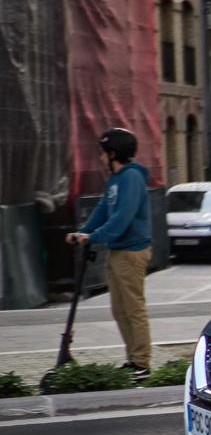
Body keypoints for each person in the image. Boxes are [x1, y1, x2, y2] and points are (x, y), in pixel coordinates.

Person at [66, 128, 153, 380]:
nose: (101, 158)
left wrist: (93, 237)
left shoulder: (132, 178)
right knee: (119, 309)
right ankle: (132, 359)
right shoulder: (114, 180)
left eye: (103, 153)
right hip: (118, 251)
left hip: (132, 252)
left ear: (113, 153)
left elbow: (122, 218)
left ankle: (142, 363)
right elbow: (103, 210)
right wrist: (82, 231)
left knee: (133, 309)